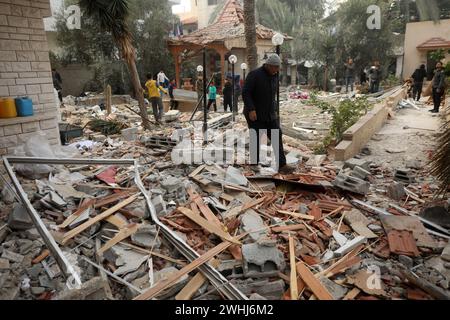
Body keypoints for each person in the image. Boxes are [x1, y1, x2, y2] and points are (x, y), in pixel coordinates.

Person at [242, 54, 294, 174]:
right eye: (275, 68)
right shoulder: (254, 75)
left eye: (278, 68)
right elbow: (246, 92)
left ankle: (282, 165)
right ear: (268, 65)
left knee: (277, 134)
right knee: (257, 137)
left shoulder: (275, 76)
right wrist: (251, 109)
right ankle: (254, 164)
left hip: (270, 113)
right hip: (254, 113)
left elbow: (272, 95)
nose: (277, 70)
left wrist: (274, 110)